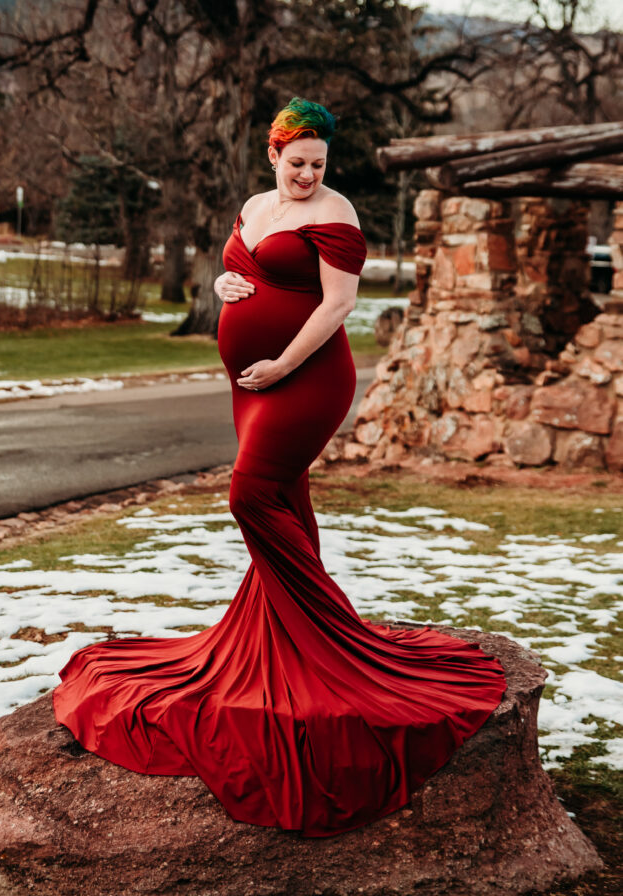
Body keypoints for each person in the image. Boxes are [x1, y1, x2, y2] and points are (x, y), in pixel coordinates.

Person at [53, 98, 506, 838]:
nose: (306, 175)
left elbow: (335, 306)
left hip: (306, 375)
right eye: (296, 163)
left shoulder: (338, 212)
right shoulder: (254, 204)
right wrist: (224, 289)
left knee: (248, 494)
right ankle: (299, 641)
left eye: (317, 165)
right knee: (287, 502)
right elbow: (238, 278)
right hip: (249, 381)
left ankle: (331, 638)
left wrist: (279, 363)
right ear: (273, 155)